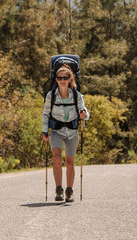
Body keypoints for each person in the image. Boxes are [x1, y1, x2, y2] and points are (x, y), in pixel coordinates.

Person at [42, 64, 89, 202]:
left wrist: (83, 114)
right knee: (56, 157)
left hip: (72, 132)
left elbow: (85, 112)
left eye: (65, 77)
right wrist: (44, 131)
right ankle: (58, 190)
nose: (62, 80)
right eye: (59, 78)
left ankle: (69, 190)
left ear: (70, 79)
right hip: (56, 131)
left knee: (70, 162)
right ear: (56, 79)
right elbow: (45, 114)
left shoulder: (76, 95)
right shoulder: (51, 96)